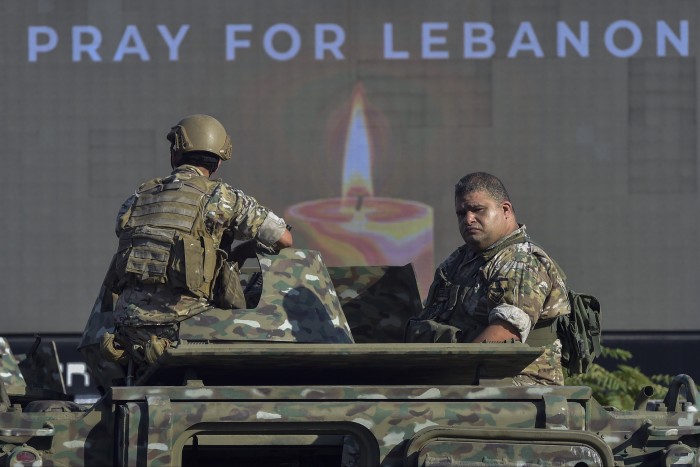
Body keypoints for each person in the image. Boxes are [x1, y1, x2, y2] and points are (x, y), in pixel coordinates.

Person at [99, 114, 293, 376]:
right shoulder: (223, 198)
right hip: (184, 326)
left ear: (175, 154)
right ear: (218, 163)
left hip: (127, 331)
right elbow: (284, 240)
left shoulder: (137, 198)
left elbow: (124, 233)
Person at [407, 172, 570, 385]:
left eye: (477, 210)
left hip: (516, 388)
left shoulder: (521, 261)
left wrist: (449, 375)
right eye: (461, 213)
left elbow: (503, 336)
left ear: (505, 210)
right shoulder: (458, 261)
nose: (468, 219)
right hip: (469, 380)